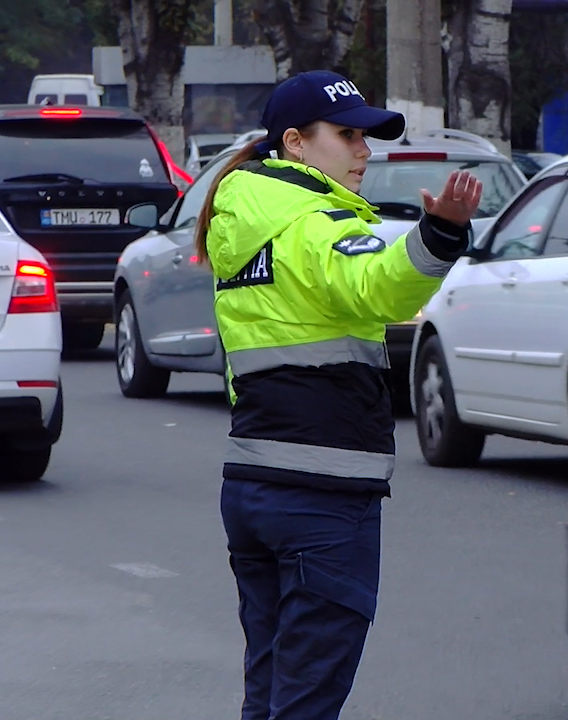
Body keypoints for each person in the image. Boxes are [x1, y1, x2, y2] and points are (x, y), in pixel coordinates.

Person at [193, 70, 483, 720]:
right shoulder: (310, 228)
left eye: (366, 137)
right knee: (305, 703)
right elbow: (374, 285)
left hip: (253, 484)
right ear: (295, 143)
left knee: (269, 692)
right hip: (322, 495)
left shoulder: (244, 225)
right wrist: (437, 237)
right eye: (348, 134)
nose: (364, 150)